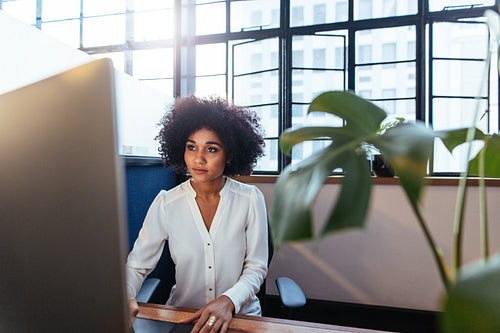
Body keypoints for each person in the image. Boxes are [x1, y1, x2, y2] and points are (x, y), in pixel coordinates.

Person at [126, 95, 268, 333]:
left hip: (239, 318)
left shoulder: (250, 199)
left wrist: (228, 301)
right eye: (192, 147)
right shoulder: (166, 203)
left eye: (211, 149)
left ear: (230, 155)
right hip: (185, 318)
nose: (198, 159)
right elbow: (136, 267)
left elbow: (256, 267)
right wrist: (126, 295)